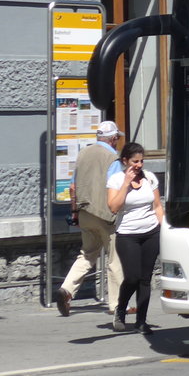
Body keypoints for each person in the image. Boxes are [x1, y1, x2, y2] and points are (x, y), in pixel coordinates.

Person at [54, 121, 124, 317]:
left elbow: (73, 187)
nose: (117, 141)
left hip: (84, 213)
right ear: (113, 138)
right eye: (117, 138)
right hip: (105, 215)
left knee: (87, 254)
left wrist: (75, 212)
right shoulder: (113, 158)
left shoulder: (83, 154)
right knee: (114, 259)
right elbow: (117, 188)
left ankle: (67, 290)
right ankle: (117, 305)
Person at [107, 142, 164, 334]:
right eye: (135, 161)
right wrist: (126, 184)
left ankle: (141, 320)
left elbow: (157, 206)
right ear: (125, 161)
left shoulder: (150, 178)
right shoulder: (116, 180)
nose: (139, 165)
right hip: (127, 234)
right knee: (132, 276)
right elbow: (114, 207)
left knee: (145, 279)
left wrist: (163, 227)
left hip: (150, 233)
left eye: (141, 161)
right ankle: (120, 309)